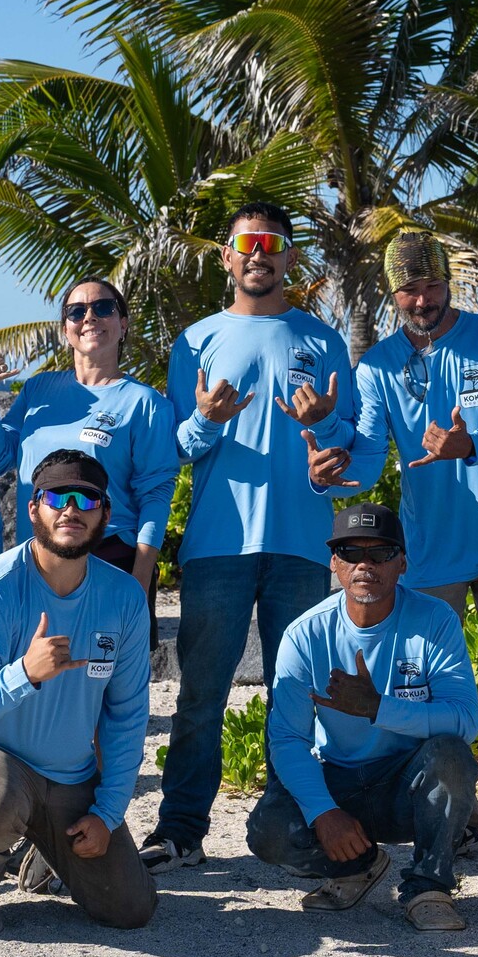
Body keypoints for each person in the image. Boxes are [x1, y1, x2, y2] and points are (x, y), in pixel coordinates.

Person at [141, 201, 355, 872]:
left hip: (301, 545)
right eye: (246, 242)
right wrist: (204, 419)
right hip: (216, 546)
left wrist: (329, 430)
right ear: (227, 257)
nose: (258, 253)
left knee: (297, 694)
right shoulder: (195, 340)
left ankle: (287, 825)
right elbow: (174, 446)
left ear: (292, 257)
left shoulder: (324, 341)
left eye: (272, 242)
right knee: (201, 693)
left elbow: (347, 446)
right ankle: (181, 829)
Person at [333, 231, 478, 882]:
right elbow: (371, 453)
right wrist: (332, 464)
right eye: (407, 289)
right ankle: (455, 817)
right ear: (391, 292)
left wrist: (466, 441)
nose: (421, 299)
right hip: (428, 555)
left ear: (447, 280)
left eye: (430, 285)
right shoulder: (375, 365)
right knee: (427, 693)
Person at [0, 451, 156, 934]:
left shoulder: (123, 598)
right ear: (33, 508)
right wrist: (25, 673)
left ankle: (42, 852)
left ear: (106, 515)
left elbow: (127, 715)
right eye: (57, 496)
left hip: (67, 776)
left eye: (87, 498)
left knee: (130, 909)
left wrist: (107, 811)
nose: (71, 509)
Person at [247, 504, 478, 931]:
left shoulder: (434, 620)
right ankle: (358, 866)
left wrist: (377, 708)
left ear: (403, 562)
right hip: (338, 779)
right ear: (334, 563)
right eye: (351, 553)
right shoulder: (305, 634)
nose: (365, 565)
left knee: (450, 755)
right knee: (269, 830)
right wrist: (322, 812)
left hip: (407, 781)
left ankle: (429, 887)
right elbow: (286, 739)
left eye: (381, 554)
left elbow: (465, 721)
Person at [0, 277, 180, 596]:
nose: (89, 317)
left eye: (103, 308)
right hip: (36, 558)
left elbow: (155, 495)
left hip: (108, 558)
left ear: (122, 326)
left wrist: (139, 578)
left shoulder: (146, 404)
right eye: (76, 311)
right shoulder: (38, 389)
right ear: (66, 329)